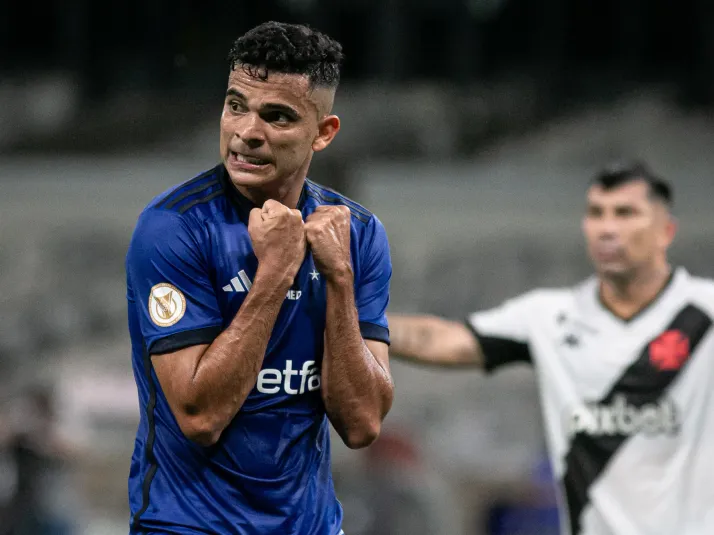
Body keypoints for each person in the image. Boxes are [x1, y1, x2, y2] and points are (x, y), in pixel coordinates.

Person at [125, 21, 394, 535]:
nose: (246, 132)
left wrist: (338, 278)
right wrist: (275, 272)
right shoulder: (172, 229)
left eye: (277, 116)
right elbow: (200, 418)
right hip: (189, 526)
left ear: (323, 133)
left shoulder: (357, 235)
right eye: (236, 106)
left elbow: (362, 425)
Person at [388, 162, 714, 535]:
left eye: (625, 214)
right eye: (597, 214)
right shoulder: (549, 318)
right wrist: (348, 321)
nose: (608, 228)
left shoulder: (705, 309)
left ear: (665, 231)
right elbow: (438, 340)